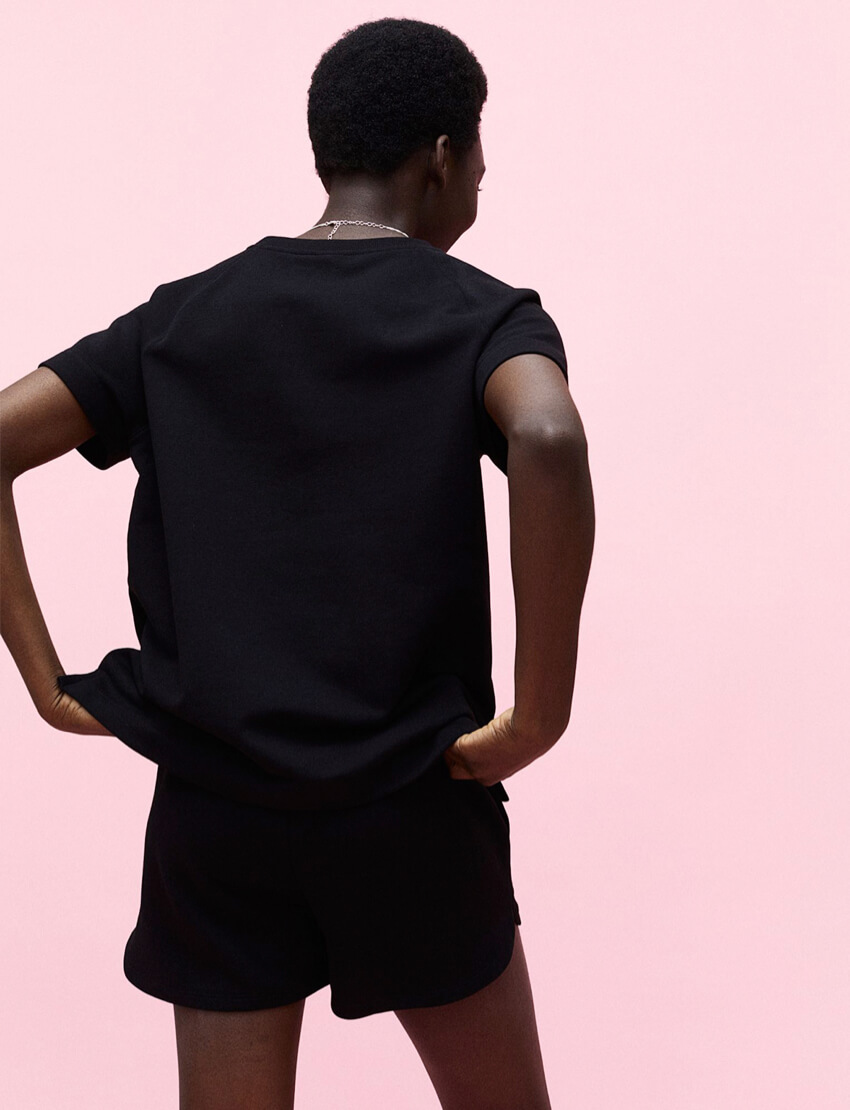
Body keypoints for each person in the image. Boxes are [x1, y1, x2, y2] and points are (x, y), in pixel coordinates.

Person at [1, 16, 595, 1110]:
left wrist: (46, 684)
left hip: (217, 809)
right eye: (479, 151)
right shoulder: (479, 315)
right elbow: (548, 436)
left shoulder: (181, 318)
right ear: (442, 156)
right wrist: (538, 715)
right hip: (411, 802)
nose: (481, 177)